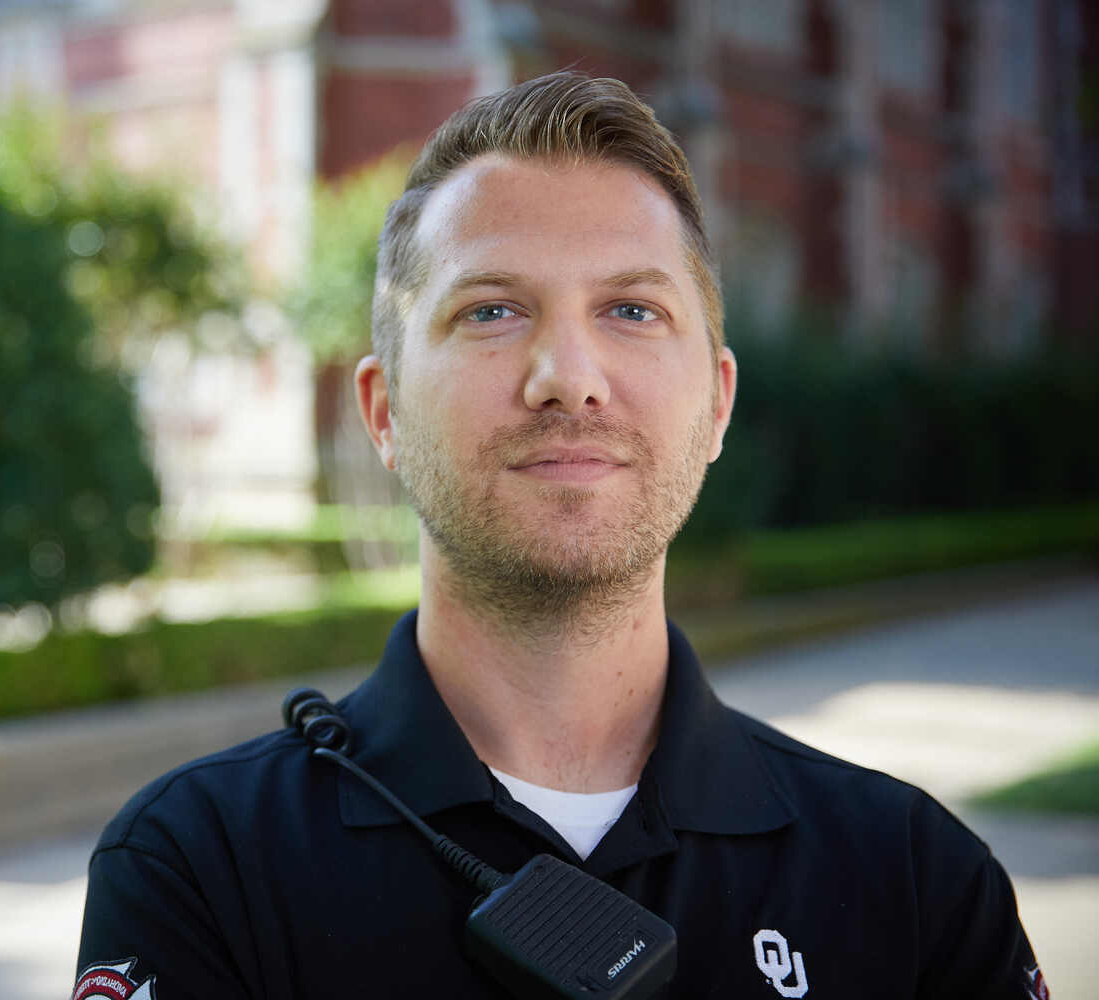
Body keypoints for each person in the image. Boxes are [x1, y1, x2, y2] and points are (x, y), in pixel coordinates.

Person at [73, 72, 1046, 1000]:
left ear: (716, 404)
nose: (568, 375)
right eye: (492, 310)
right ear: (384, 413)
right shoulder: (198, 866)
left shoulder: (918, 882)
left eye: (631, 309)